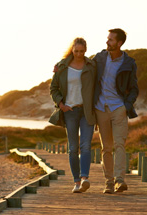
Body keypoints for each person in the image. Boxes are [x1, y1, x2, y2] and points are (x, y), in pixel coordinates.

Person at [93, 28, 139, 194]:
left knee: (120, 145)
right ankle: (109, 183)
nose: (107, 42)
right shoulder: (99, 58)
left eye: (111, 40)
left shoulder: (128, 63)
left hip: (118, 108)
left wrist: (126, 105)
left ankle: (120, 181)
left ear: (119, 43)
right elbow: (82, 65)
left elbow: (134, 88)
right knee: (106, 148)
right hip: (100, 108)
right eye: (108, 38)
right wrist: (61, 65)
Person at [49, 38, 96, 193]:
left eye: (82, 51)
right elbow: (54, 88)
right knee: (73, 148)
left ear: (85, 50)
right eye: (76, 51)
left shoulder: (91, 66)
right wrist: (61, 105)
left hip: (87, 111)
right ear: (72, 50)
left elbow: (97, 86)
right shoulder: (62, 66)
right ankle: (76, 182)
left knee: (86, 145)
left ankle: (84, 179)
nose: (79, 54)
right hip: (70, 111)